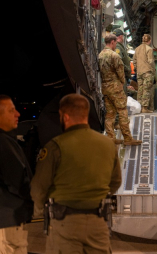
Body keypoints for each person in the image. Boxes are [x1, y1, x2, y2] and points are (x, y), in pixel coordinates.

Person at [31, 94, 122, 253]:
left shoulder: (55, 146)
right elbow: (115, 182)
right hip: (98, 223)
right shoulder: (108, 145)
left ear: (65, 116)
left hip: (65, 223)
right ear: (85, 114)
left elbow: (39, 187)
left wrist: (40, 210)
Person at [0, 95, 33, 254]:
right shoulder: (3, 143)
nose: (18, 114)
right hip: (9, 217)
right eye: (11, 110)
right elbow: (17, 180)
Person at [98, 34, 141, 146]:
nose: (115, 45)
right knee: (122, 112)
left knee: (110, 114)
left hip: (105, 88)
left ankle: (111, 138)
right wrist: (122, 83)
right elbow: (121, 74)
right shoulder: (114, 56)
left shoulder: (100, 55)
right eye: (115, 43)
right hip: (116, 88)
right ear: (112, 42)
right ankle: (127, 138)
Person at [133, 34, 156, 113]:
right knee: (146, 90)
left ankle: (138, 107)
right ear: (149, 41)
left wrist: (137, 69)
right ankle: (144, 108)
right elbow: (151, 61)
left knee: (140, 90)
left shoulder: (137, 49)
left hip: (139, 72)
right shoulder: (149, 49)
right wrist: (153, 70)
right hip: (147, 72)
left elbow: (134, 61)